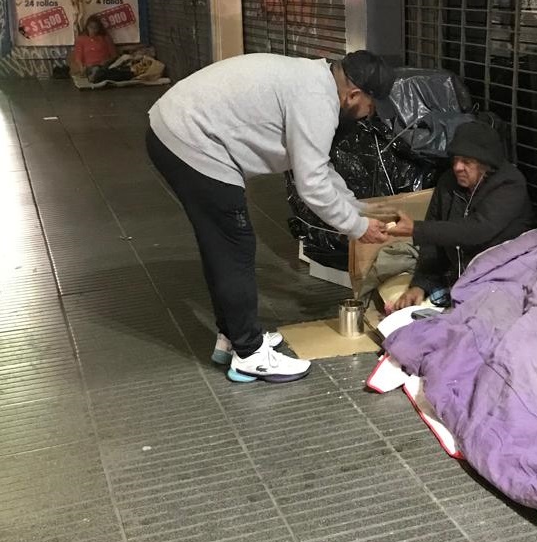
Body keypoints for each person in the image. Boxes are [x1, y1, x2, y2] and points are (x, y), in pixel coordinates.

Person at [146, 50, 394, 382]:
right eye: (371, 107)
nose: (368, 116)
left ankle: (233, 335)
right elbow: (312, 185)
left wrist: (357, 208)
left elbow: (317, 166)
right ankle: (249, 353)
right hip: (192, 140)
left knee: (223, 246)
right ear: (353, 94)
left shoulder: (317, 82)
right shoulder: (317, 101)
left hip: (178, 128)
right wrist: (357, 227)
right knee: (234, 246)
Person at [387, 121, 535, 311]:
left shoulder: (510, 184)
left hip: (503, 276)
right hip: (462, 278)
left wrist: (416, 228)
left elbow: (477, 229)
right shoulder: (449, 183)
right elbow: (433, 241)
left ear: (485, 165)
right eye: (455, 159)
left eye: (467, 162)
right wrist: (420, 284)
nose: (457, 167)